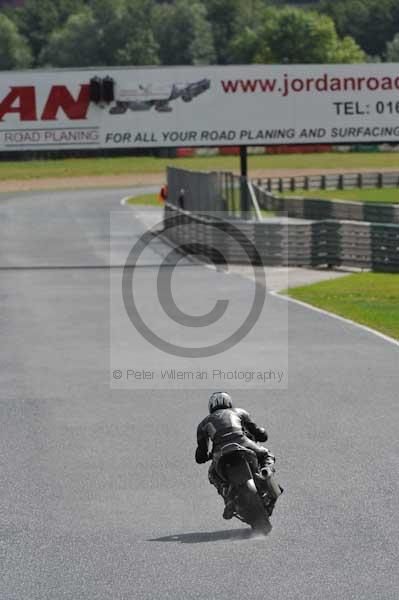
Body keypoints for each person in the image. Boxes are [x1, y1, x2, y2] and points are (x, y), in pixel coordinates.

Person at [195, 391, 277, 520]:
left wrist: (205, 456)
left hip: (220, 452)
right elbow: (257, 431)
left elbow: (201, 453)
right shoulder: (239, 412)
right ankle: (265, 472)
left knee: (212, 474)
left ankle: (227, 497)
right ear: (229, 402)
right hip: (243, 443)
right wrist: (262, 434)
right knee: (267, 454)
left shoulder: (203, 424)